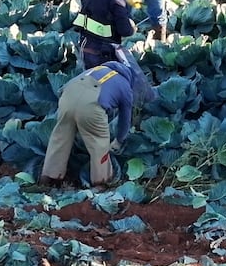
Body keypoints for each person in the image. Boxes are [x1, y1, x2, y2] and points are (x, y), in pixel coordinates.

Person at [40, 54, 152, 187]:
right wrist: (119, 140)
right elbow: (124, 120)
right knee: (99, 144)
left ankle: (47, 179)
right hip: (91, 105)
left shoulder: (98, 69)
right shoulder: (125, 86)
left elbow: (63, 89)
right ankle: (101, 184)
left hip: (67, 96)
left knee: (60, 139)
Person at [72, 0, 137, 70]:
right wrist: (132, 27)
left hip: (85, 46)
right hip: (103, 53)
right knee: (105, 83)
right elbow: (125, 30)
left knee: (91, 83)